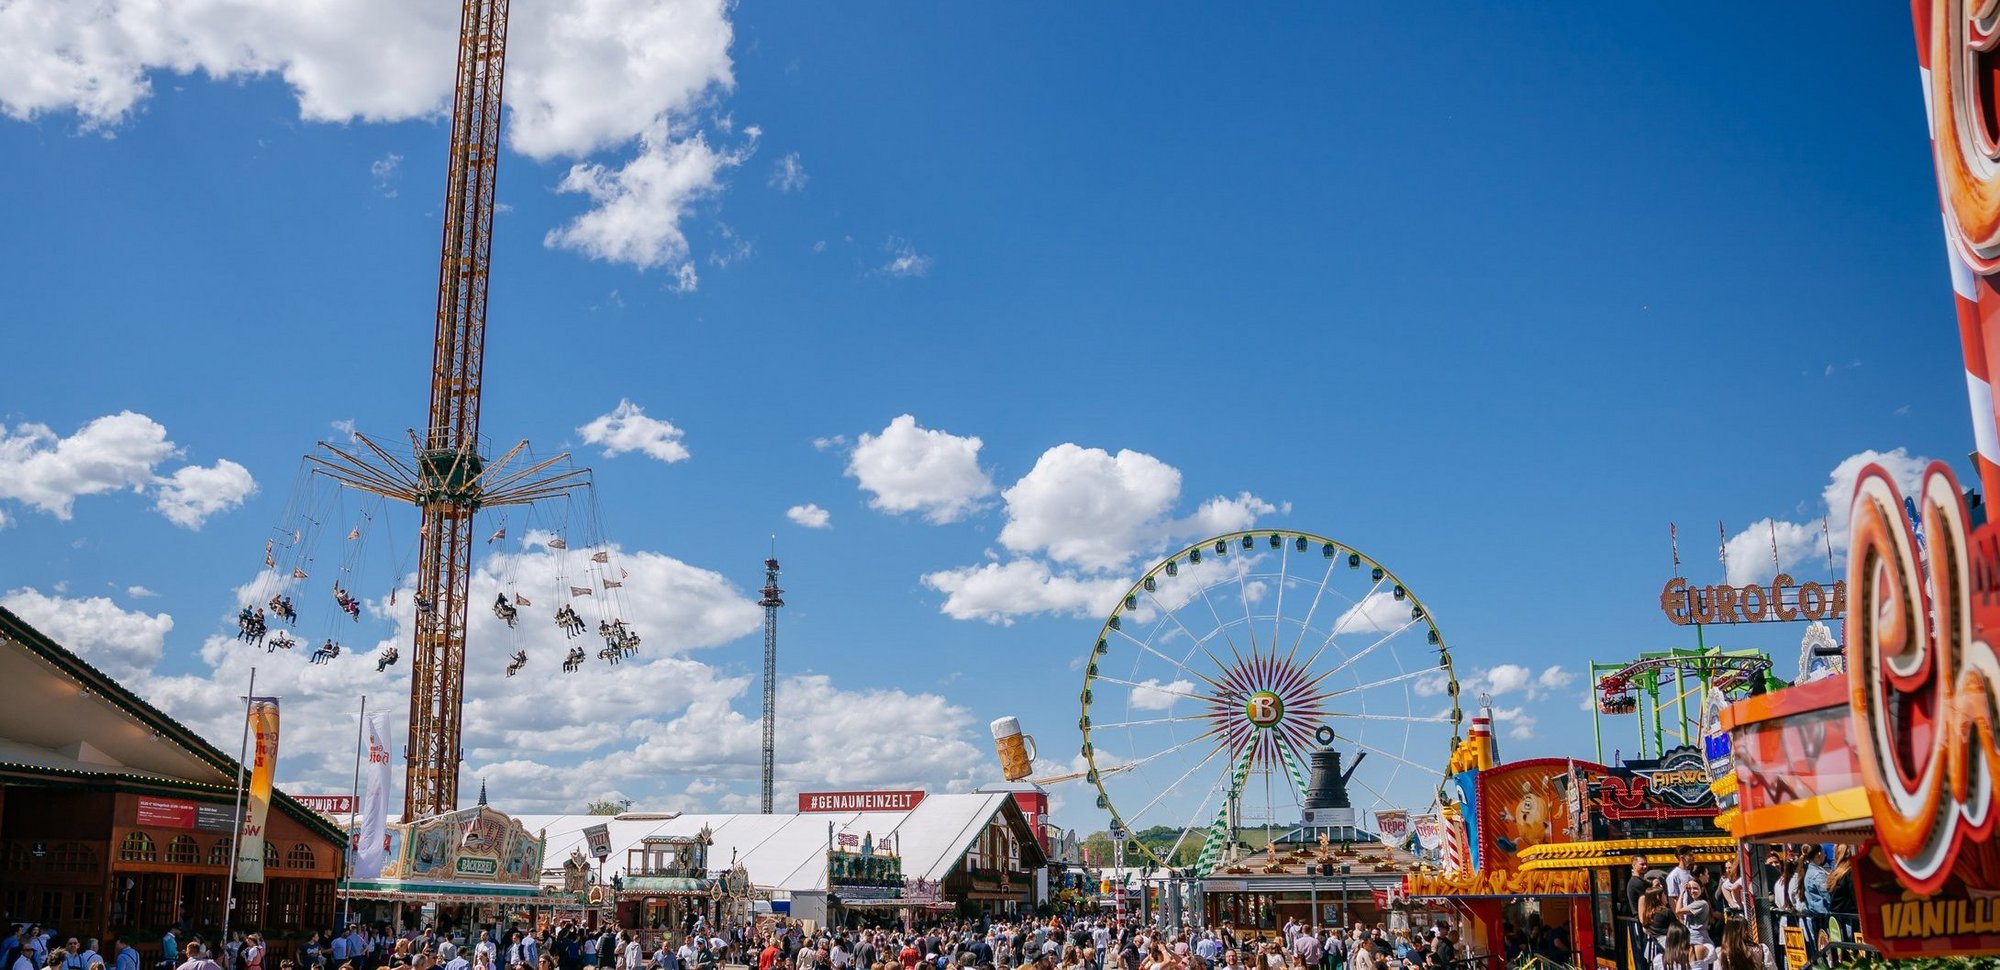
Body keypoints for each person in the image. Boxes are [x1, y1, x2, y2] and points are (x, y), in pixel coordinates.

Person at [1676, 881, 1714, 947]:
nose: (1692, 891)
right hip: (1696, 936)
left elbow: (1678, 911)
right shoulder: (1695, 902)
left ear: (1702, 889)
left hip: (1697, 938)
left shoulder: (1701, 903)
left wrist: (1682, 893)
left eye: (1695, 888)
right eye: (1689, 889)